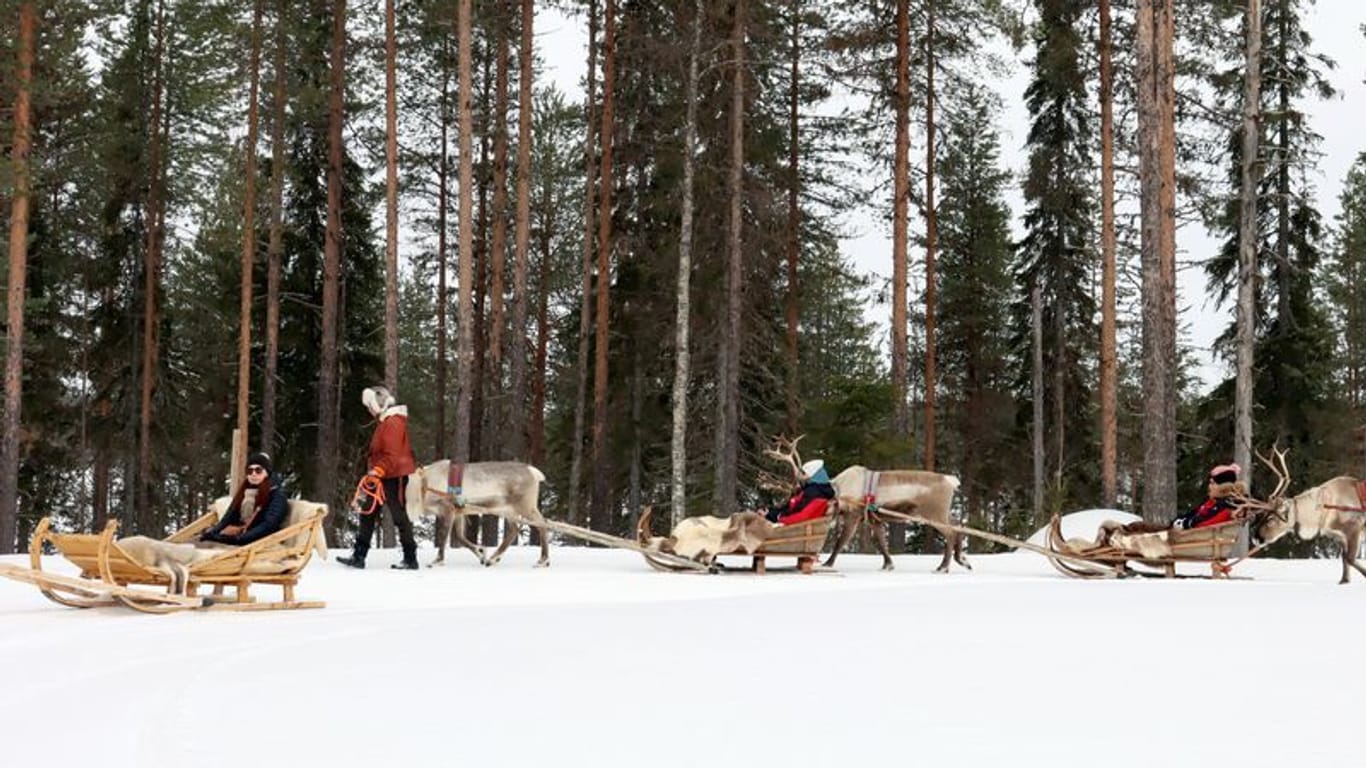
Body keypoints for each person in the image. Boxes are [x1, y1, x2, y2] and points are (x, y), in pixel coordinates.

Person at [338, 386, 420, 570]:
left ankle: (410, 558)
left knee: (399, 516)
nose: (369, 410)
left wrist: (379, 470)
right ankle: (359, 556)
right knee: (368, 512)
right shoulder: (386, 422)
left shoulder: (392, 423)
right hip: (382, 475)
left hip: (393, 475)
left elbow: (392, 454)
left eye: (370, 405)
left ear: (378, 404)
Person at [200, 451, 289, 546]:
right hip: (242, 536)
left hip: (263, 541)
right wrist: (212, 533)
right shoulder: (244, 492)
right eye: (249, 471)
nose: (253, 474)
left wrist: (239, 539)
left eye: (258, 470)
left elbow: (268, 525)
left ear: (267, 472)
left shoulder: (277, 495)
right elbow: (229, 517)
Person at [1172, 462, 1244, 530]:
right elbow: (1194, 513)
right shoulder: (1212, 502)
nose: (1209, 487)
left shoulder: (1227, 506)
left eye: (1213, 483)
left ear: (1223, 487)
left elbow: (1209, 523)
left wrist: (1188, 524)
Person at [764, 459, 836, 525]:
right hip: (787, 517)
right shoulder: (821, 489)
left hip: (790, 523)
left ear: (813, 475)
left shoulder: (814, 492)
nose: (801, 476)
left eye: (804, 473)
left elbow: (801, 515)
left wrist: (777, 517)